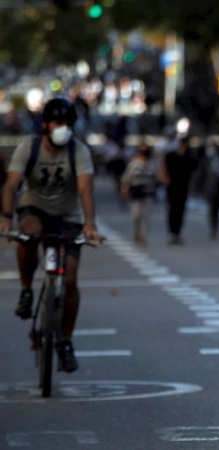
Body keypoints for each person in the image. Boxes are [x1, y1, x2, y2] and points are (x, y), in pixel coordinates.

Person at [0, 97, 100, 373]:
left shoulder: (78, 152)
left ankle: (66, 342)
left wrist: (90, 223)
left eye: (68, 124)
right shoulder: (28, 148)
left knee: (69, 279)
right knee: (28, 234)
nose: (63, 129)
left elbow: (86, 189)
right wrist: (7, 218)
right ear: (45, 125)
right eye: (58, 123)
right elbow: (10, 186)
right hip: (35, 210)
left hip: (68, 217)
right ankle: (25, 291)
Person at [160, 136, 197, 245]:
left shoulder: (189, 157)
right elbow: (162, 167)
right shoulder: (170, 156)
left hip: (183, 187)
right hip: (171, 186)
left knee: (180, 211)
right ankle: (171, 233)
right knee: (172, 210)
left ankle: (177, 233)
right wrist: (164, 178)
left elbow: (194, 172)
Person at [121, 143, 159, 245]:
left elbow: (157, 178)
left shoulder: (153, 164)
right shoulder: (133, 164)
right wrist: (125, 190)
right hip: (136, 193)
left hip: (148, 192)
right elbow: (126, 179)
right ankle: (137, 231)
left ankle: (144, 235)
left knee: (146, 215)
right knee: (136, 214)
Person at [199, 143, 219, 240]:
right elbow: (201, 175)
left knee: (217, 210)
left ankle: (215, 228)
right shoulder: (205, 161)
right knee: (212, 210)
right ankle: (213, 228)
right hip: (209, 189)